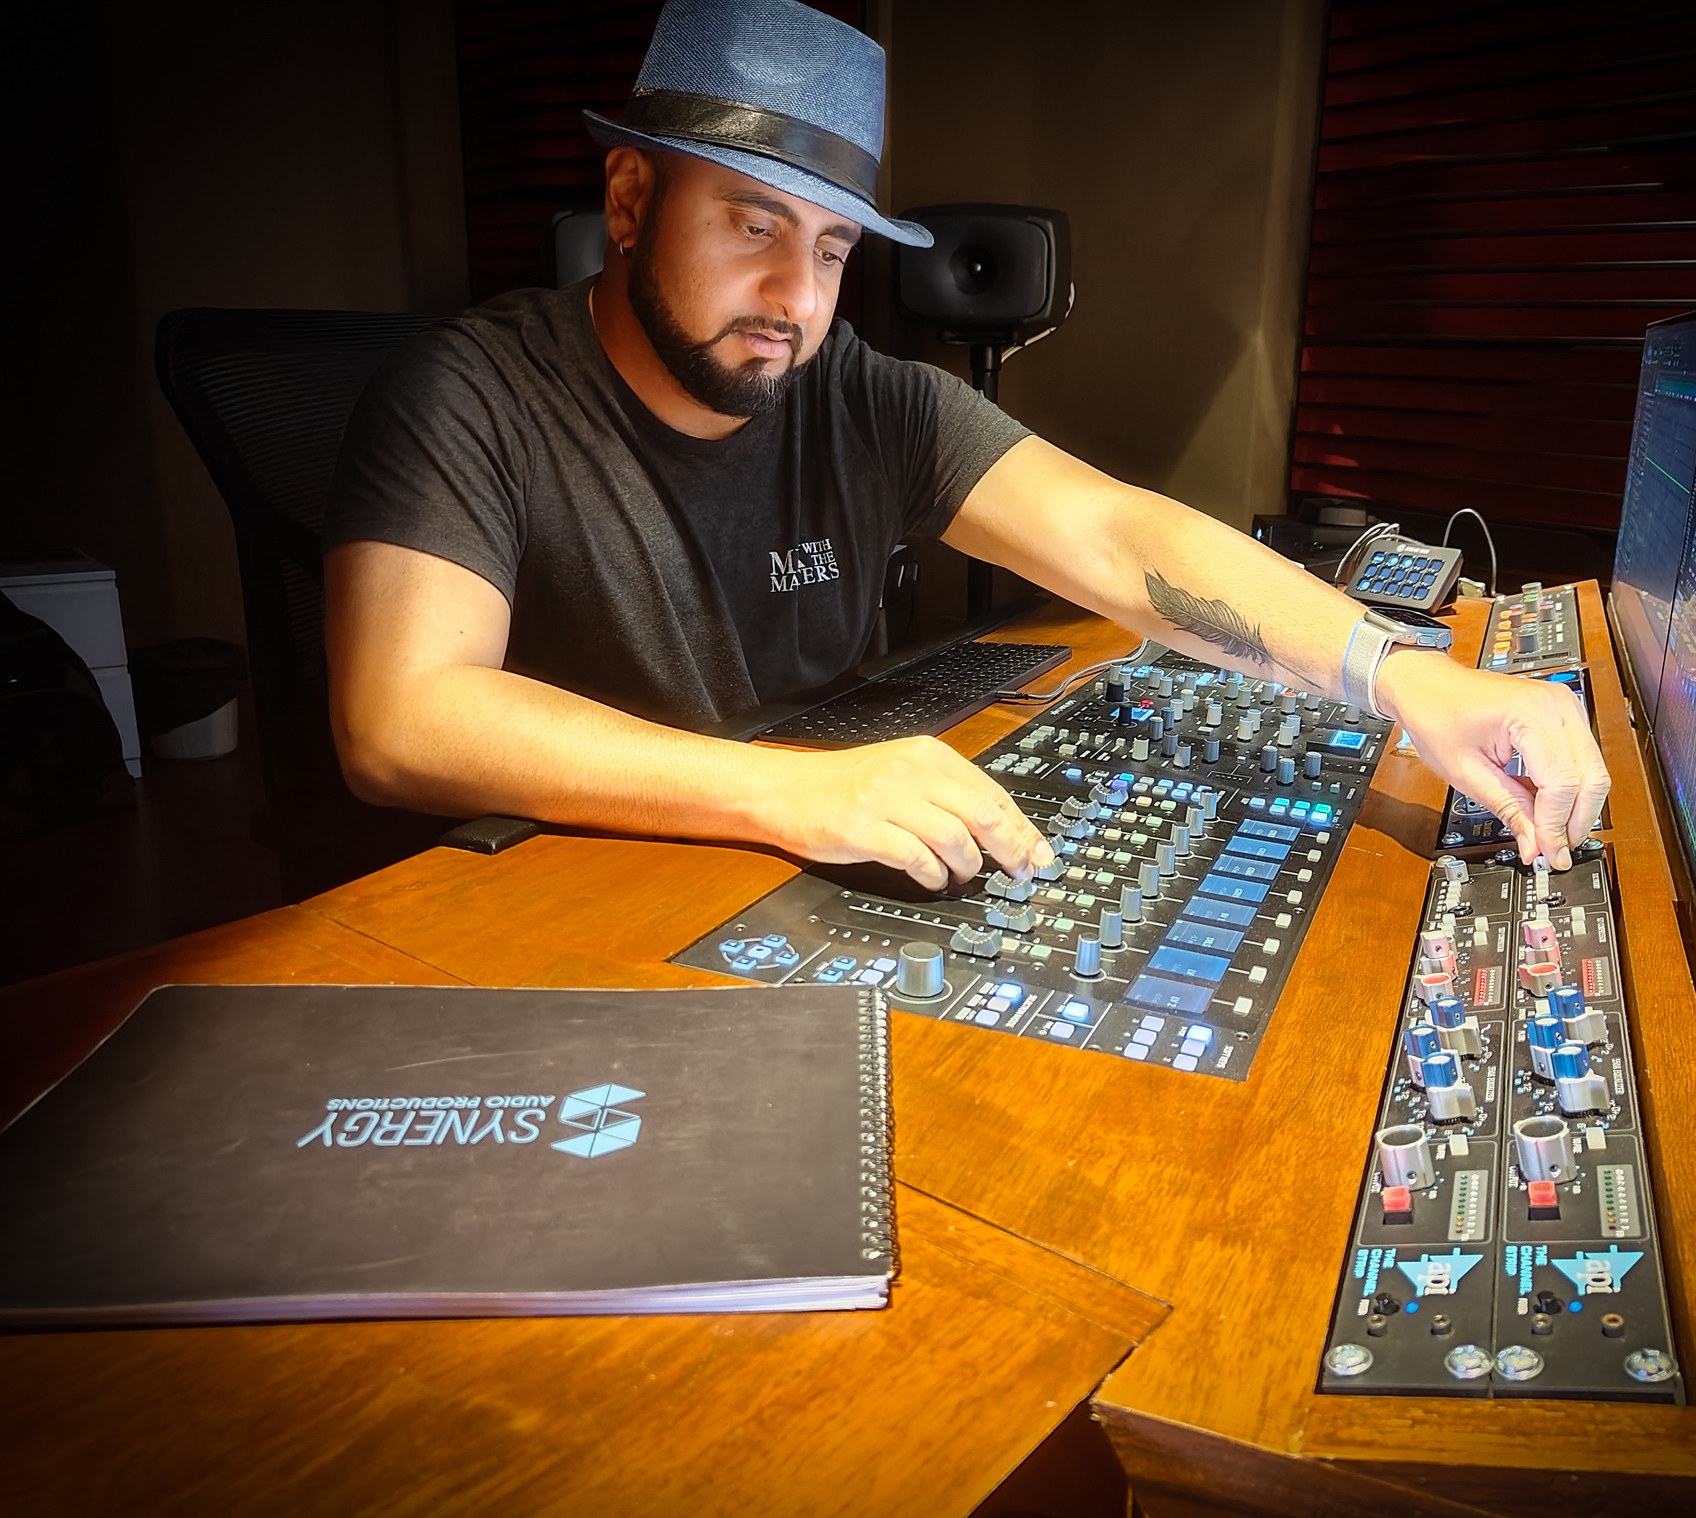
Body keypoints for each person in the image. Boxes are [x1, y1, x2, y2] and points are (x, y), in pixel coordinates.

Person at [325, 0, 1607, 891]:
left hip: (793, 864)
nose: (796, 299)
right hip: (566, 897)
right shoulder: (466, 392)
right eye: (753, 226)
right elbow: (405, 716)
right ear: (626, 202)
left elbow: (1110, 532)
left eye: (829, 251)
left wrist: (1402, 675)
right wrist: (779, 794)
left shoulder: (856, 392)